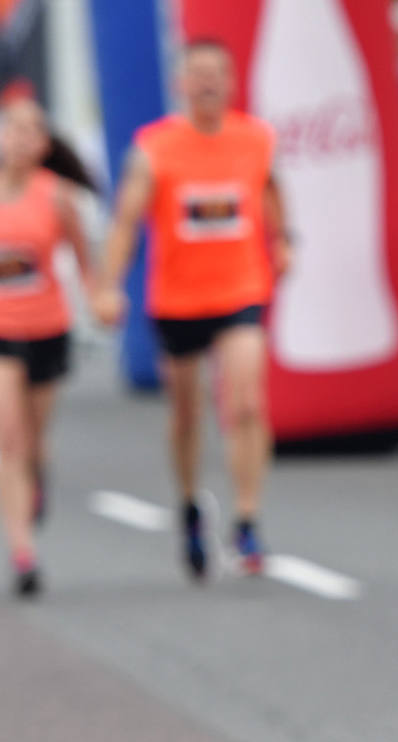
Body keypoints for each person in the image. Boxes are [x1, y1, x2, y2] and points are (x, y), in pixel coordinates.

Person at [94, 38, 291, 580]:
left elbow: (271, 190)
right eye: (196, 74)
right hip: (177, 300)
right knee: (186, 413)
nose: (206, 83)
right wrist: (108, 285)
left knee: (247, 401)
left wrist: (285, 240)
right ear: (181, 83)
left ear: (229, 83)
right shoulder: (155, 148)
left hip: (240, 292)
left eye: (215, 74)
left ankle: (247, 518)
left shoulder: (254, 139)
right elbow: (127, 220)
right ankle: (188, 504)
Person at [0, 90, 96, 596]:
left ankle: (37, 479)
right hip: (2, 333)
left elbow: (84, 261)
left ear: (42, 144)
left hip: (47, 327)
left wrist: (100, 298)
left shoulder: (57, 196)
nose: (19, 140)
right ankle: (23, 552)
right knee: (8, 436)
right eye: (12, 129)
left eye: (29, 132)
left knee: (34, 439)